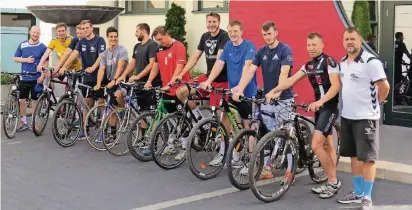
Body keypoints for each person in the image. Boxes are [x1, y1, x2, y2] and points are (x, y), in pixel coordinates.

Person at [267, 32, 342, 197]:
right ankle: (332, 178)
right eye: (308, 45)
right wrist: (274, 90)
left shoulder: (330, 62)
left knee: (316, 145)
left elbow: (336, 86)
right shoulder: (308, 66)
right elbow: (290, 80)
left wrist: (320, 102)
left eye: (314, 45)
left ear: (322, 45)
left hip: (328, 107)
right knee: (327, 144)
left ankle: (333, 182)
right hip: (318, 108)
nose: (311, 48)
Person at [232, 21, 295, 179]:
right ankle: (266, 168)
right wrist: (240, 88)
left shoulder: (285, 50)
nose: (267, 37)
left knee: (285, 135)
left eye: (269, 34)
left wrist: (276, 91)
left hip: (283, 99)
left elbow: (284, 74)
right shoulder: (261, 51)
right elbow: (250, 71)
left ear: (276, 33)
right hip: (267, 99)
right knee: (264, 132)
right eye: (264, 34)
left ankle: (290, 171)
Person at [337, 27, 389, 210]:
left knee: (367, 159)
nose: (349, 42)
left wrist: (377, 103)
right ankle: (357, 192)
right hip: (348, 116)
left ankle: (367, 197)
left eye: (353, 39)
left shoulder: (370, 62)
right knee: (354, 156)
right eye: (346, 39)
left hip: (366, 117)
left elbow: (384, 86)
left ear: (360, 41)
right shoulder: (343, 62)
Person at [199, 20, 257, 167]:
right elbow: (219, 63)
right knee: (227, 123)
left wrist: (240, 88)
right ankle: (228, 154)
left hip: (247, 93)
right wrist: (209, 81)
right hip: (232, 92)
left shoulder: (249, 46)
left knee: (247, 126)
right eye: (230, 31)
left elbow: (247, 66)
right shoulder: (228, 46)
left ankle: (250, 160)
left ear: (241, 32)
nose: (232, 34)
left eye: (235, 31)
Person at [173, 12, 230, 161]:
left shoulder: (224, 36)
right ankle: (201, 122)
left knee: (219, 114)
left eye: (214, 22)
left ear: (219, 22)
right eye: (209, 22)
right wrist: (182, 74)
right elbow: (194, 58)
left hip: (221, 80)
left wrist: (210, 80)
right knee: (181, 92)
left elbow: (219, 60)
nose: (211, 24)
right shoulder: (205, 36)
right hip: (207, 77)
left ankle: (223, 150)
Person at [144, 25, 188, 154]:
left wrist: (170, 83)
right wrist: (149, 81)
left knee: (181, 118)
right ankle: (170, 143)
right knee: (166, 117)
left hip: (179, 88)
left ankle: (185, 147)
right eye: (157, 40)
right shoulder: (159, 49)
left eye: (160, 39)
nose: (159, 42)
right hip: (167, 89)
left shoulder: (178, 46)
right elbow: (155, 67)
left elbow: (179, 67)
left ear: (167, 34)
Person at [60, 20, 107, 139]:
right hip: (87, 77)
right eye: (83, 28)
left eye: (87, 28)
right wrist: (64, 67)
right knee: (87, 103)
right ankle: (84, 130)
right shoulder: (81, 41)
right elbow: (74, 54)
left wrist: (93, 67)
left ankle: (104, 131)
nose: (85, 30)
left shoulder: (99, 40)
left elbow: (101, 56)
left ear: (92, 28)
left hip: (99, 77)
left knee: (101, 104)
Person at [116, 23, 161, 111]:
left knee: (147, 111)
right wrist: (123, 75)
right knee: (140, 111)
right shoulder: (137, 46)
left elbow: (152, 64)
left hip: (148, 84)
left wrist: (138, 76)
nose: (135, 34)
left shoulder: (152, 44)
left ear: (144, 31)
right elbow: (132, 64)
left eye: (137, 31)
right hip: (138, 84)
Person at [94, 26, 128, 141]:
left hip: (121, 81)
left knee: (115, 101)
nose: (113, 39)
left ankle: (122, 112)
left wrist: (114, 80)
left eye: (115, 37)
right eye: (111, 37)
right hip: (109, 81)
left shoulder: (122, 50)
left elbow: (120, 66)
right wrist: (98, 83)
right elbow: (101, 69)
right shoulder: (104, 54)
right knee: (102, 101)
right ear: (107, 38)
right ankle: (108, 126)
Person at [12, 26, 48, 131]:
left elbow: (46, 63)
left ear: (39, 34)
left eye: (37, 33)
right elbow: (15, 58)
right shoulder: (22, 44)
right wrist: (26, 60)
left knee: (35, 102)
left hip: (36, 78)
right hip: (24, 77)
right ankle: (23, 122)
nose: (35, 34)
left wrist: (43, 75)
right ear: (30, 32)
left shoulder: (43, 47)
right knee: (21, 100)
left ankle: (34, 122)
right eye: (34, 32)